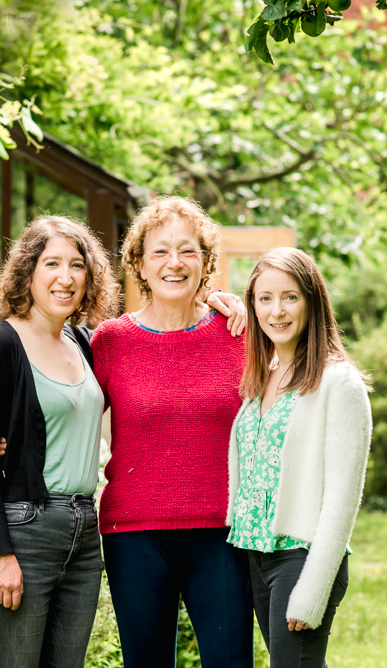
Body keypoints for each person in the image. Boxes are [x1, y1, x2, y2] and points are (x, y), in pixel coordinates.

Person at [0, 214, 245, 668]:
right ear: (138, 263)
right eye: (51, 264)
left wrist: (227, 302)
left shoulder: (234, 334)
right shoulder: (93, 342)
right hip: (94, 531)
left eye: (76, 265)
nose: (65, 278)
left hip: (174, 530)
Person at [91, 196, 254, 668]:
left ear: (206, 262)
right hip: (135, 535)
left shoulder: (238, 333)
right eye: (160, 251)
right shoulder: (111, 341)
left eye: (187, 250)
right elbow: (67, 413)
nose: (174, 263)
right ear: (139, 263)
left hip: (222, 533)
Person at [227, 247, 372, 668]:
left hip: (301, 558)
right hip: (257, 556)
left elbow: (343, 499)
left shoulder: (338, 382)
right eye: (264, 298)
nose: (277, 311)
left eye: (290, 297)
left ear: (312, 301)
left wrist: (313, 588)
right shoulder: (263, 374)